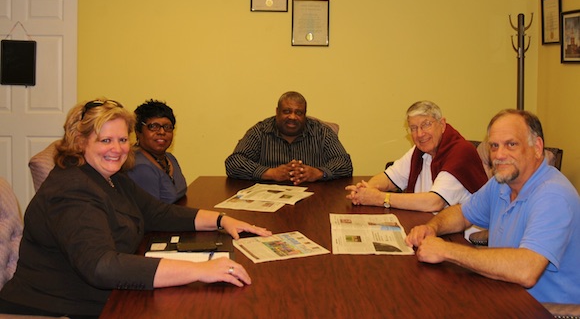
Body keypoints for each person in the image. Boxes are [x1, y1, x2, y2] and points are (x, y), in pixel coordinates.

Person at [0, 99, 271, 319]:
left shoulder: (110, 176)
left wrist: (222, 220)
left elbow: (157, 213)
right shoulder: (71, 190)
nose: (117, 149)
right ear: (80, 142)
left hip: (98, 296)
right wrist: (201, 270)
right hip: (55, 306)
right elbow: (101, 266)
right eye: (105, 141)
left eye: (122, 139)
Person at [405, 109, 580, 304]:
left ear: (537, 147)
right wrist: (432, 228)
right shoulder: (501, 183)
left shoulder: (553, 195)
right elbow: (462, 213)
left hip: (547, 309)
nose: (500, 155)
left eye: (511, 144)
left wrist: (447, 250)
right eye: (494, 146)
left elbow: (526, 271)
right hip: (503, 294)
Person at [345, 101, 488, 212]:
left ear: (442, 124)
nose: (420, 134)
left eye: (426, 125)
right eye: (413, 128)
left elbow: (434, 202)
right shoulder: (419, 150)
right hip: (426, 224)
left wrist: (379, 198)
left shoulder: (461, 152)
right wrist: (366, 190)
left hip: (462, 237)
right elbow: (389, 178)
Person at [225, 91, 353, 185]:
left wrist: (318, 173)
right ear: (277, 111)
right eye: (287, 111)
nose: (292, 117)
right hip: (268, 201)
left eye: (298, 113)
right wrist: (271, 173)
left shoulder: (321, 132)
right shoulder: (261, 131)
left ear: (305, 114)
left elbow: (344, 163)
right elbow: (234, 162)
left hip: (314, 200)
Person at [127, 99, 186, 203]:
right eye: (153, 126)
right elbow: (152, 214)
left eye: (167, 127)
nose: (162, 132)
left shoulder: (170, 158)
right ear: (138, 131)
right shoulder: (140, 167)